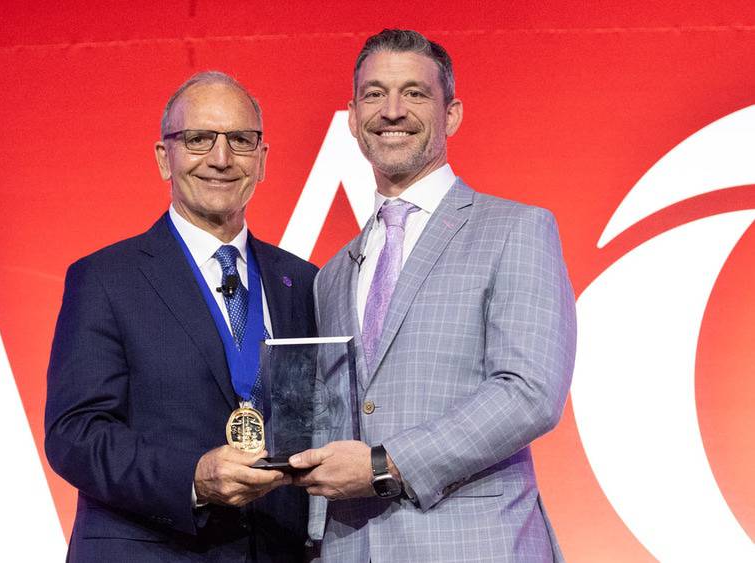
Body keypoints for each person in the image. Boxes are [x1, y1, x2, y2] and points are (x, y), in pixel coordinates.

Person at [289, 29, 577, 562]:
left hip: (476, 545)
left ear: (452, 114)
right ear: (353, 119)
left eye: (415, 93)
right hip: (351, 550)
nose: (392, 110)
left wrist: (385, 464)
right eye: (374, 94)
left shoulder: (516, 229)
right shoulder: (331, 273)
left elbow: (530, 392)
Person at [45, 71, 316, 562]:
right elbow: (75, 433)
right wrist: (192, 477)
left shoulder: (300, 280)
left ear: (262, 160)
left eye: (240, 140)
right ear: (163, 158)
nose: (221, 158)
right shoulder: (106, 278)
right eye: (198, 139)